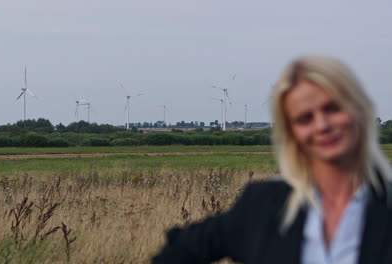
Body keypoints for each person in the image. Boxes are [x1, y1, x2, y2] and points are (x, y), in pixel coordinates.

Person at [152, 55, 392, 264]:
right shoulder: (265, 206)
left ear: (360, 109)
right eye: (304, 119)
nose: (322, 125)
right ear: (291, 134)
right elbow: (180, 250)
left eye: (332, 108)